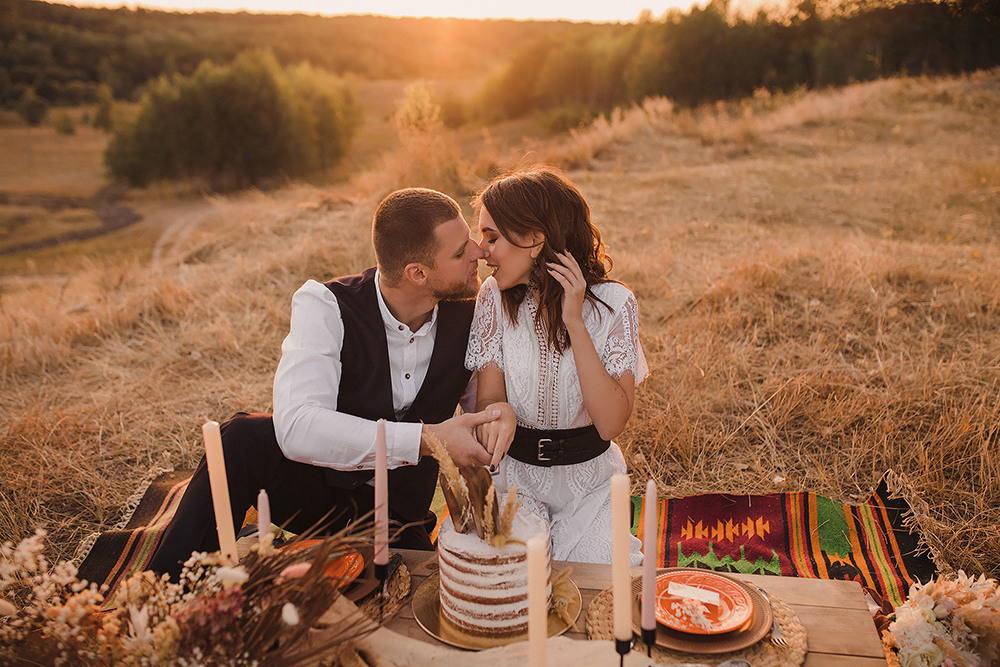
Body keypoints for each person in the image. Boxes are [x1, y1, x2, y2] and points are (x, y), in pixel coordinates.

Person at [148, 187, 508, 581]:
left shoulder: (474, 315)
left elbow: (482, 416)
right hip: (315, 492)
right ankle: (164, 592)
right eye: (460, 251)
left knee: (403, 592)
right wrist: (428, 439)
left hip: (397, 516)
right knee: (239, 439)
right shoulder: (325, 304)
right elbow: (297, 426)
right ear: (417, 273)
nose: (478, 252)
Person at [465, 166, 647, 565]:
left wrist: (574, 322)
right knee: (516, 582)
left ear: (534, 239)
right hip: (516, 481)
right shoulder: (492, 297)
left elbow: (610, 424)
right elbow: (489, 401)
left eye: (492, 237)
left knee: (600, 581)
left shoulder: (616, 304)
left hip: (590, 485)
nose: (481, 250)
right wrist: (498, 412)